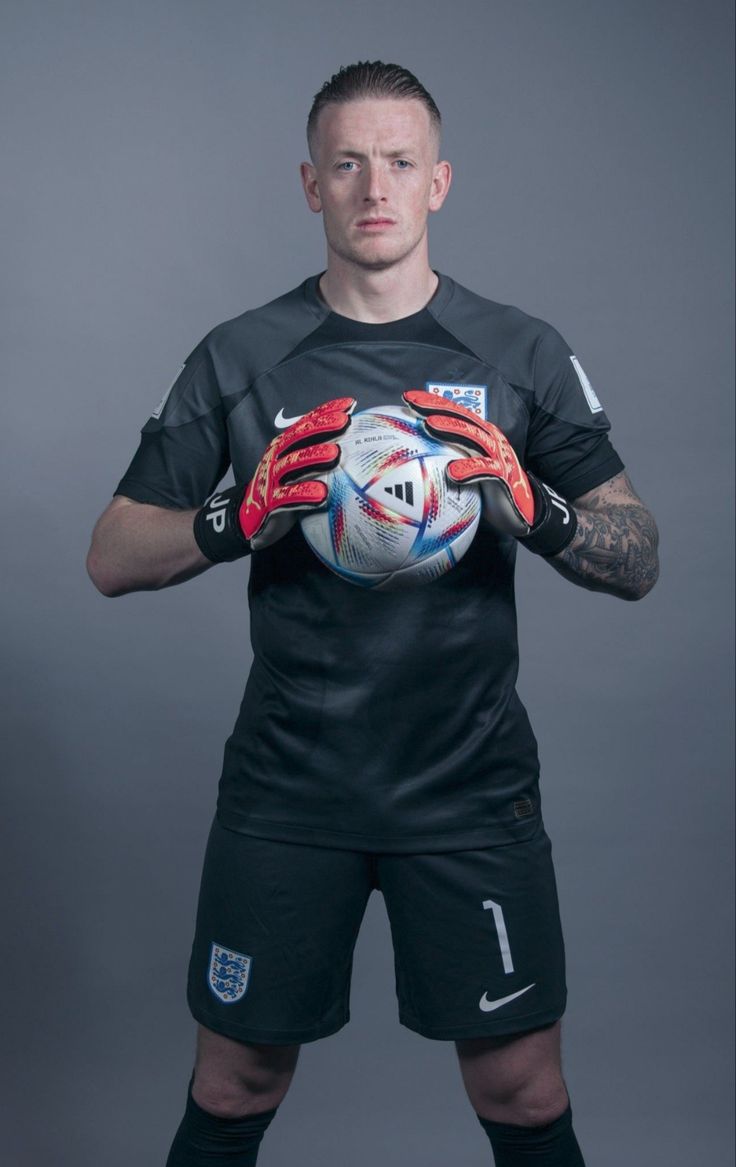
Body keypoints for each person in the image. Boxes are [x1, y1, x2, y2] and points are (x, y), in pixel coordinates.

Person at [87, 61, 659, 1167]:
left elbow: (637, 556)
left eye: (398, 162)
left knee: (525, 1091)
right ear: (311, 186)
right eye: (346, 164)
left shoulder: (519, 353)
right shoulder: (243, 357)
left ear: (438, 182)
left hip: (469, 783)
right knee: (233, 1077)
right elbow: (111, 556)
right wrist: (229, 523)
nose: (372, 187)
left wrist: (532, 512)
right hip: (289, 787)